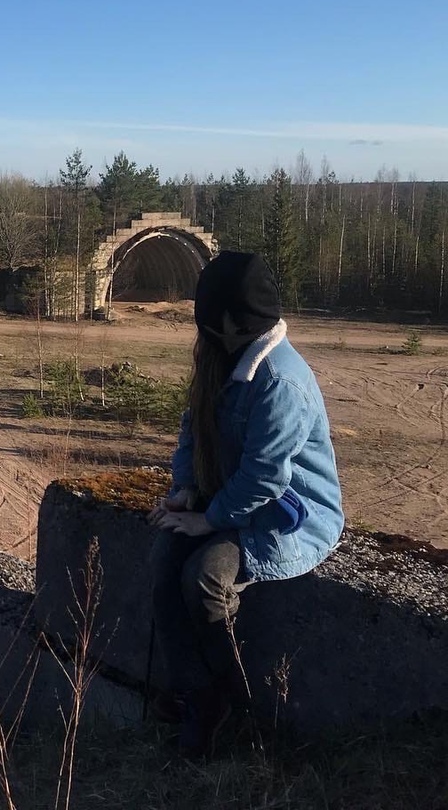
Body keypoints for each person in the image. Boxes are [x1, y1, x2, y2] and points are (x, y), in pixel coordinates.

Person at [148, 250, 344, 759]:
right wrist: (185, 491)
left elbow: (264, 479)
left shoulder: (279, 381)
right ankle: (196, 690)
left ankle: (236, 706)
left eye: (209, 320)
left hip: (288, 519)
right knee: (163, 561)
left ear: (233, 322)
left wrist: (207, 520)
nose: (203, 331)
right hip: (231, 499)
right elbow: (193, 429)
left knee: (206, 577)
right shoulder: (226, 359)